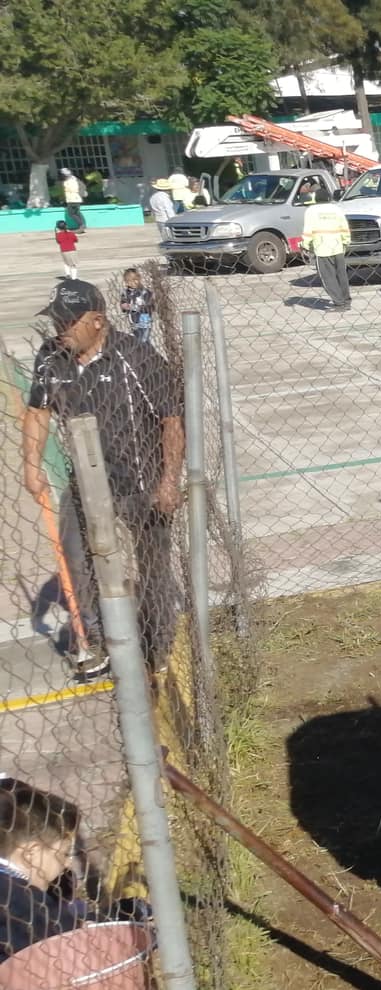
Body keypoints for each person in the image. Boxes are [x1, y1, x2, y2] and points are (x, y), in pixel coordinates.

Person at [22, 280, 184, 679]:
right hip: (86, 483)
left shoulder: (137, 356)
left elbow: (171, 421)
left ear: (97, 321)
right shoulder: (51, 358)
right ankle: (95, 639)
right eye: (57, 321)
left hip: (141, 479)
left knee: (153, 565)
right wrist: (31, 465)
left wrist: (168, 481)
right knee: (77, 559)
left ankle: (155, 642)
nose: (61, 329)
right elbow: (38, 412)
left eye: (69, 321)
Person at [0, 778, 144, 962]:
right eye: (64, 853)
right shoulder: (26, 903)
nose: (68, 864)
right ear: (30, 854)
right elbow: (69, 941)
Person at [302, 187, 353, 311]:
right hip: (338, 247)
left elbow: (308, 231)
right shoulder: (336, 209)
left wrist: (305, 245)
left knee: (328, 278)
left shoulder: (311, 211)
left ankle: (339, 303)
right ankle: (346, 301)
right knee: (342, 275)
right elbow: (344, 227)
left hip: (322, 249)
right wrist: (346, 242)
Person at [117, 268, 152, 345]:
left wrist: (134, 307)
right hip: (133, 321)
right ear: (126, 282)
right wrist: (123, 306)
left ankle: (147, 353)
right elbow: (123, 303)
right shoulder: (125, 293)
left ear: (139, 278)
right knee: (138, 338)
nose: (133, 282)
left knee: (143, 340)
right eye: (129, 281)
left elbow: (148, 307)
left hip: (144, 319)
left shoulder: (145, 292)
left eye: (135, 279)